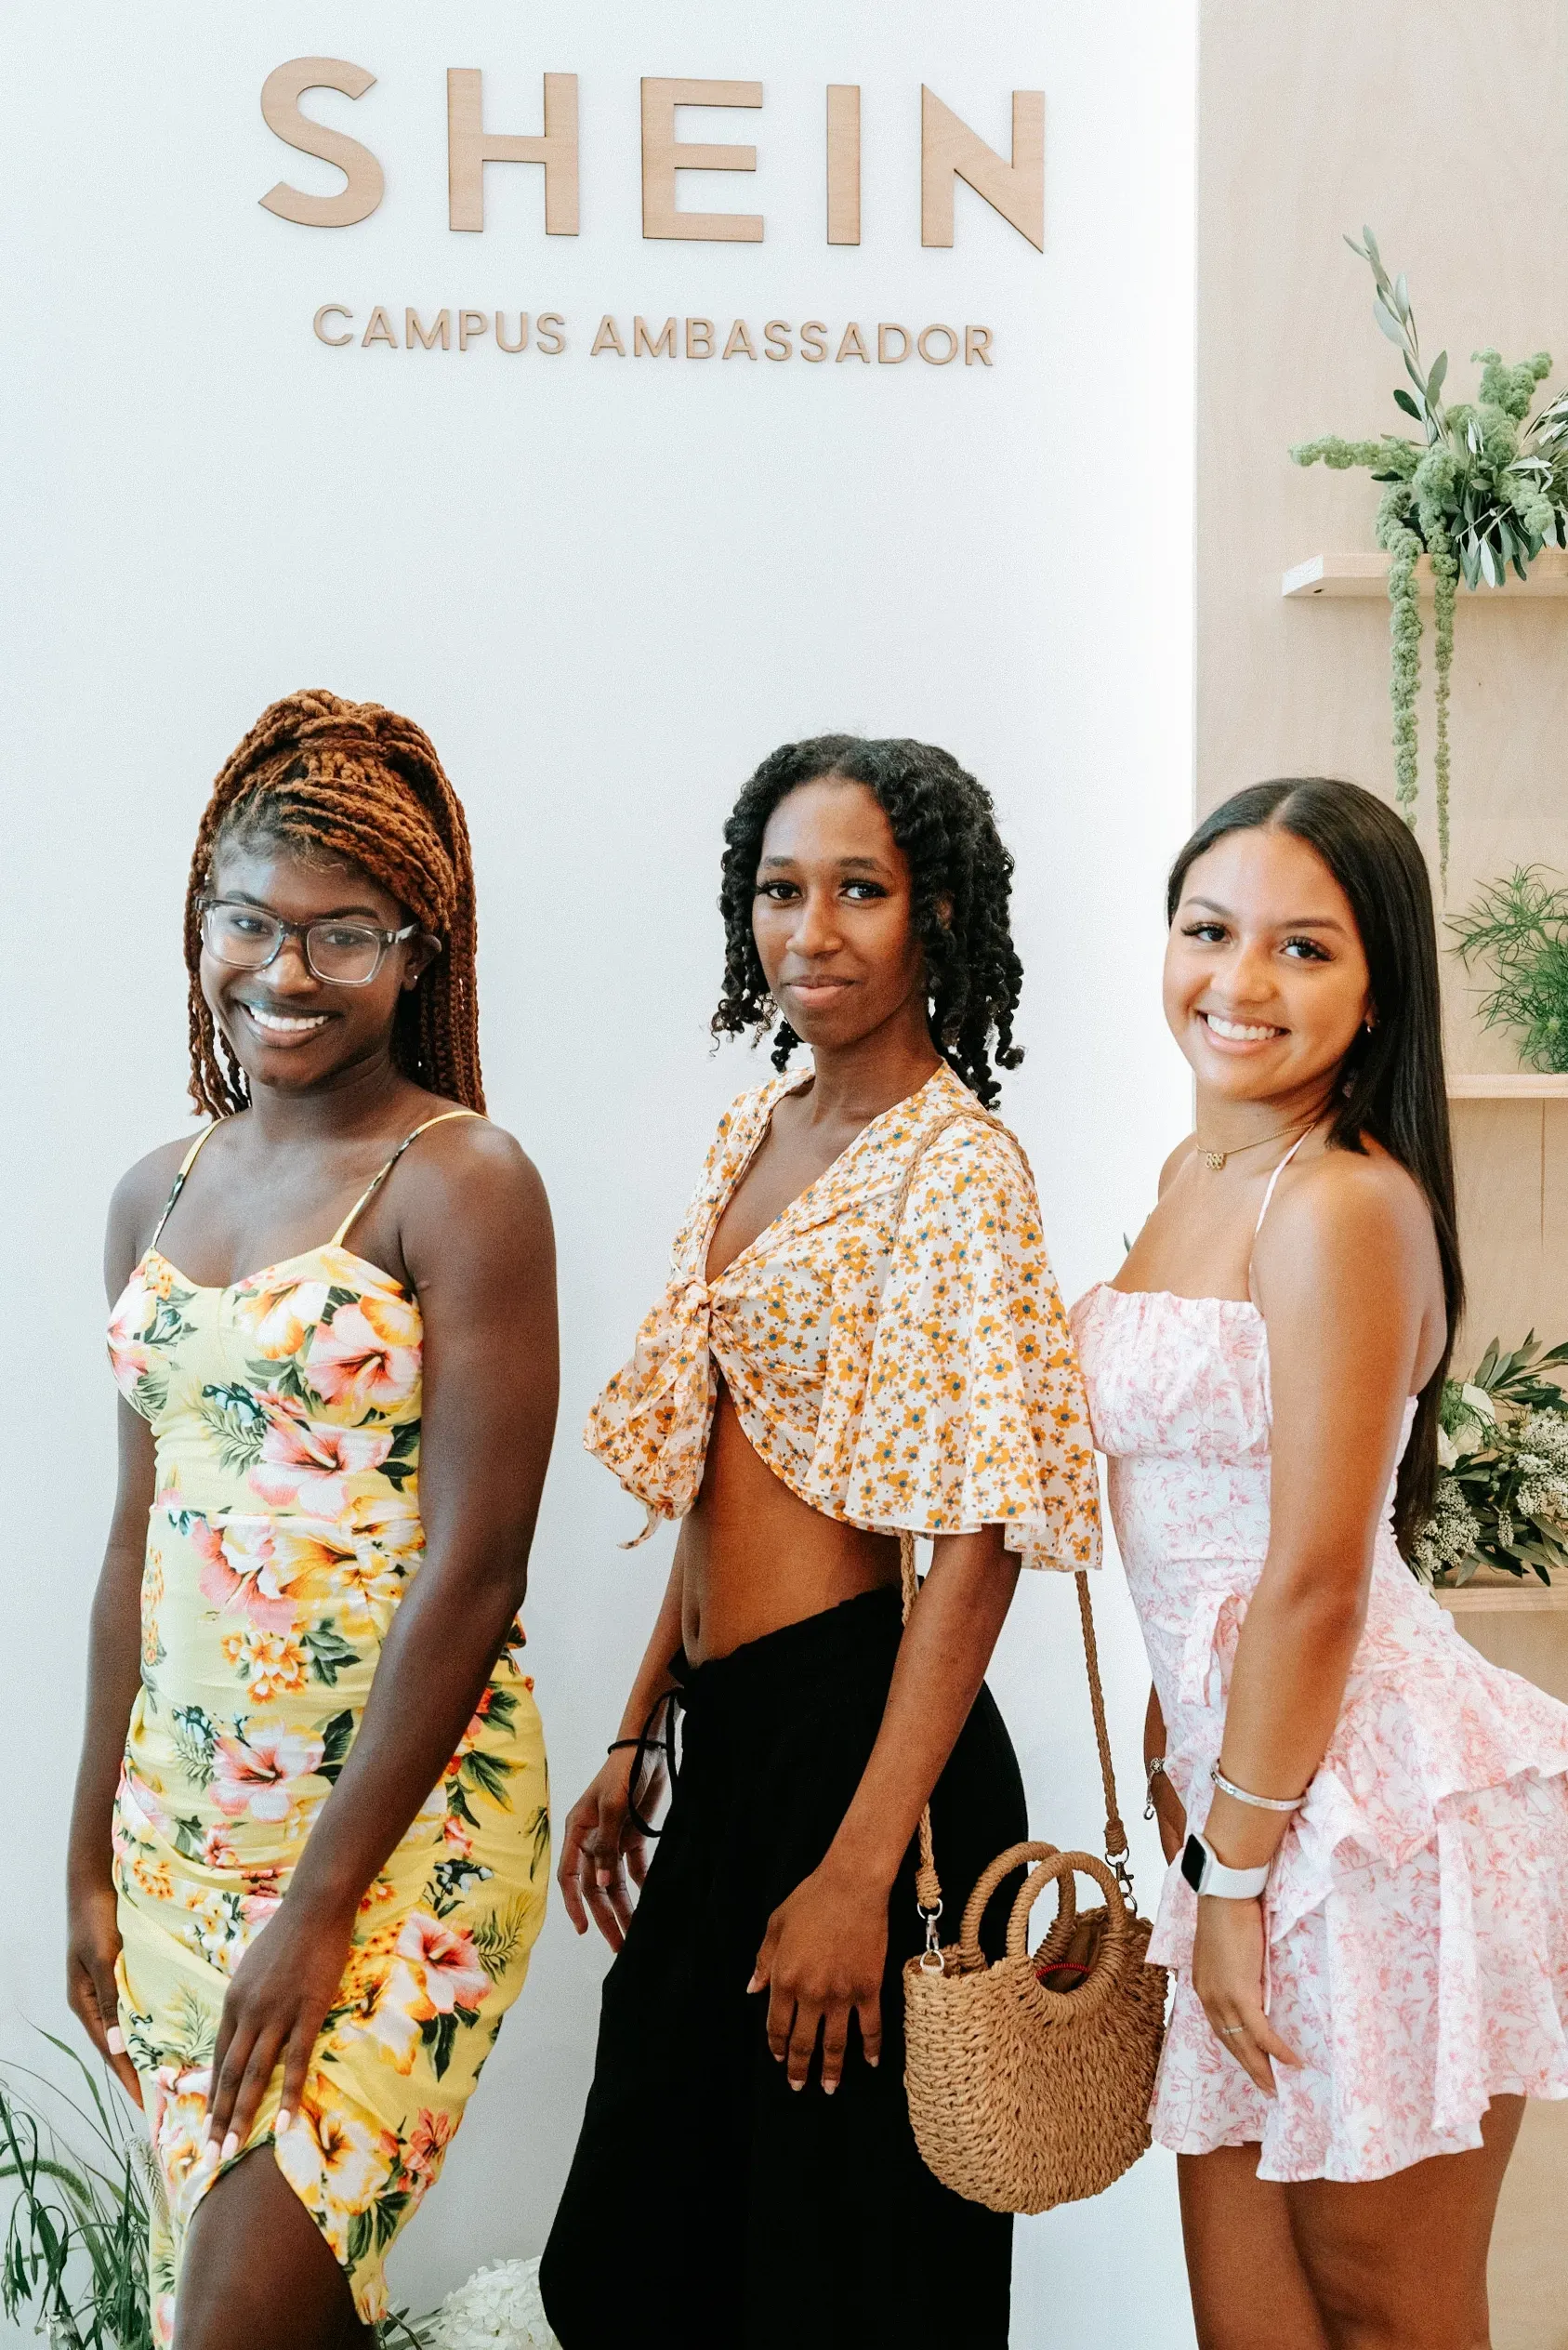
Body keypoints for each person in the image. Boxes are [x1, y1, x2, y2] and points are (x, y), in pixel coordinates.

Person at [539, 736, 1100, 2348]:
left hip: (868, 1752)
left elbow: (980, 1541)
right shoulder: (758, 1133)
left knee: (841, 2271)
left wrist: (859, 1871)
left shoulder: (957, 1168)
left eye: (862, 889)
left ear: (939, 916)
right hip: (735, 1738)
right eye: (782, 890)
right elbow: (725, 1465)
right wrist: (646, 1721)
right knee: (646, 2255)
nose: (814, 931)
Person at [67, 691, 558, 2350]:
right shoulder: (159, 1189)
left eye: (344, 934)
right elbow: (138, 1545)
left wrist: (324, 1904)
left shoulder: (457, 1178)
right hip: (181, 1840)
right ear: (201, 918)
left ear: (419, 949)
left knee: (235, 2322)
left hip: (393, 1841)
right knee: (259, 2309)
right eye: (249, 923)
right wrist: (85, 1861)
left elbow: (480, 1567)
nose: (285, 973)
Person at [1070, 777, 1568, 2350]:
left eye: (1302, 948)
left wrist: (1232, 1878)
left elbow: (1317, 1577)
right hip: (1237, 1797)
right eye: (1208, 931)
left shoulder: (1342, 1201)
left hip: (1365, 1814)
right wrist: (1183, 1767)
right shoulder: (1186, 1180)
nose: (1238, 983)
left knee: (1384, 2306)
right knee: (1250, 2316)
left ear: (1376, 990)